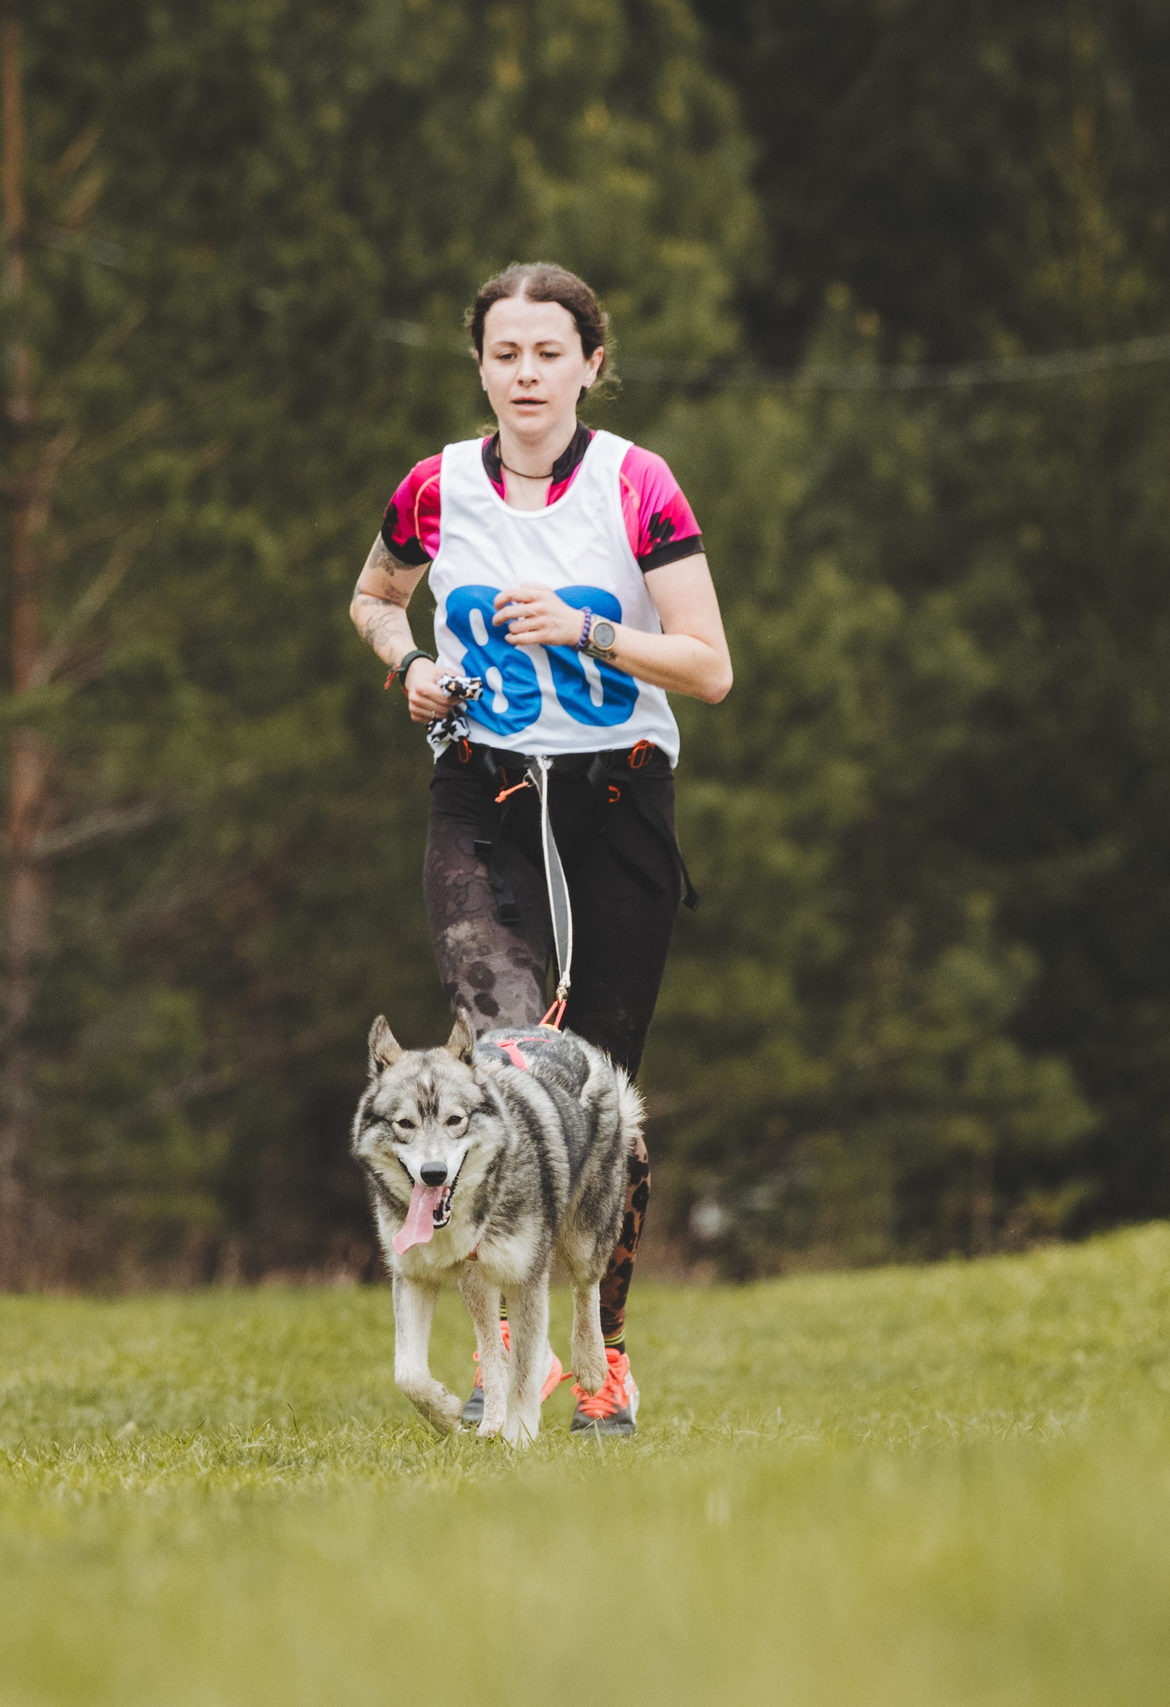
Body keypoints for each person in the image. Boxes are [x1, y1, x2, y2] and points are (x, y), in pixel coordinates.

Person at [348, 261, 733, 1436]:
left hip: (617, 801)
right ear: (479, 363)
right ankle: (499, 1354)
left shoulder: (636, 486)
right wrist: (406, 664)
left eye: (548, 353)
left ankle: (600, 1354)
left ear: (590, 364)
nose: (526, 374)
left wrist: (587, 630)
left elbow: (709, 666)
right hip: (483, 800)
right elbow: (372, 597)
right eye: (505, 353)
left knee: (601, 1098)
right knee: (504, 1053)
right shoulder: (435, 486)